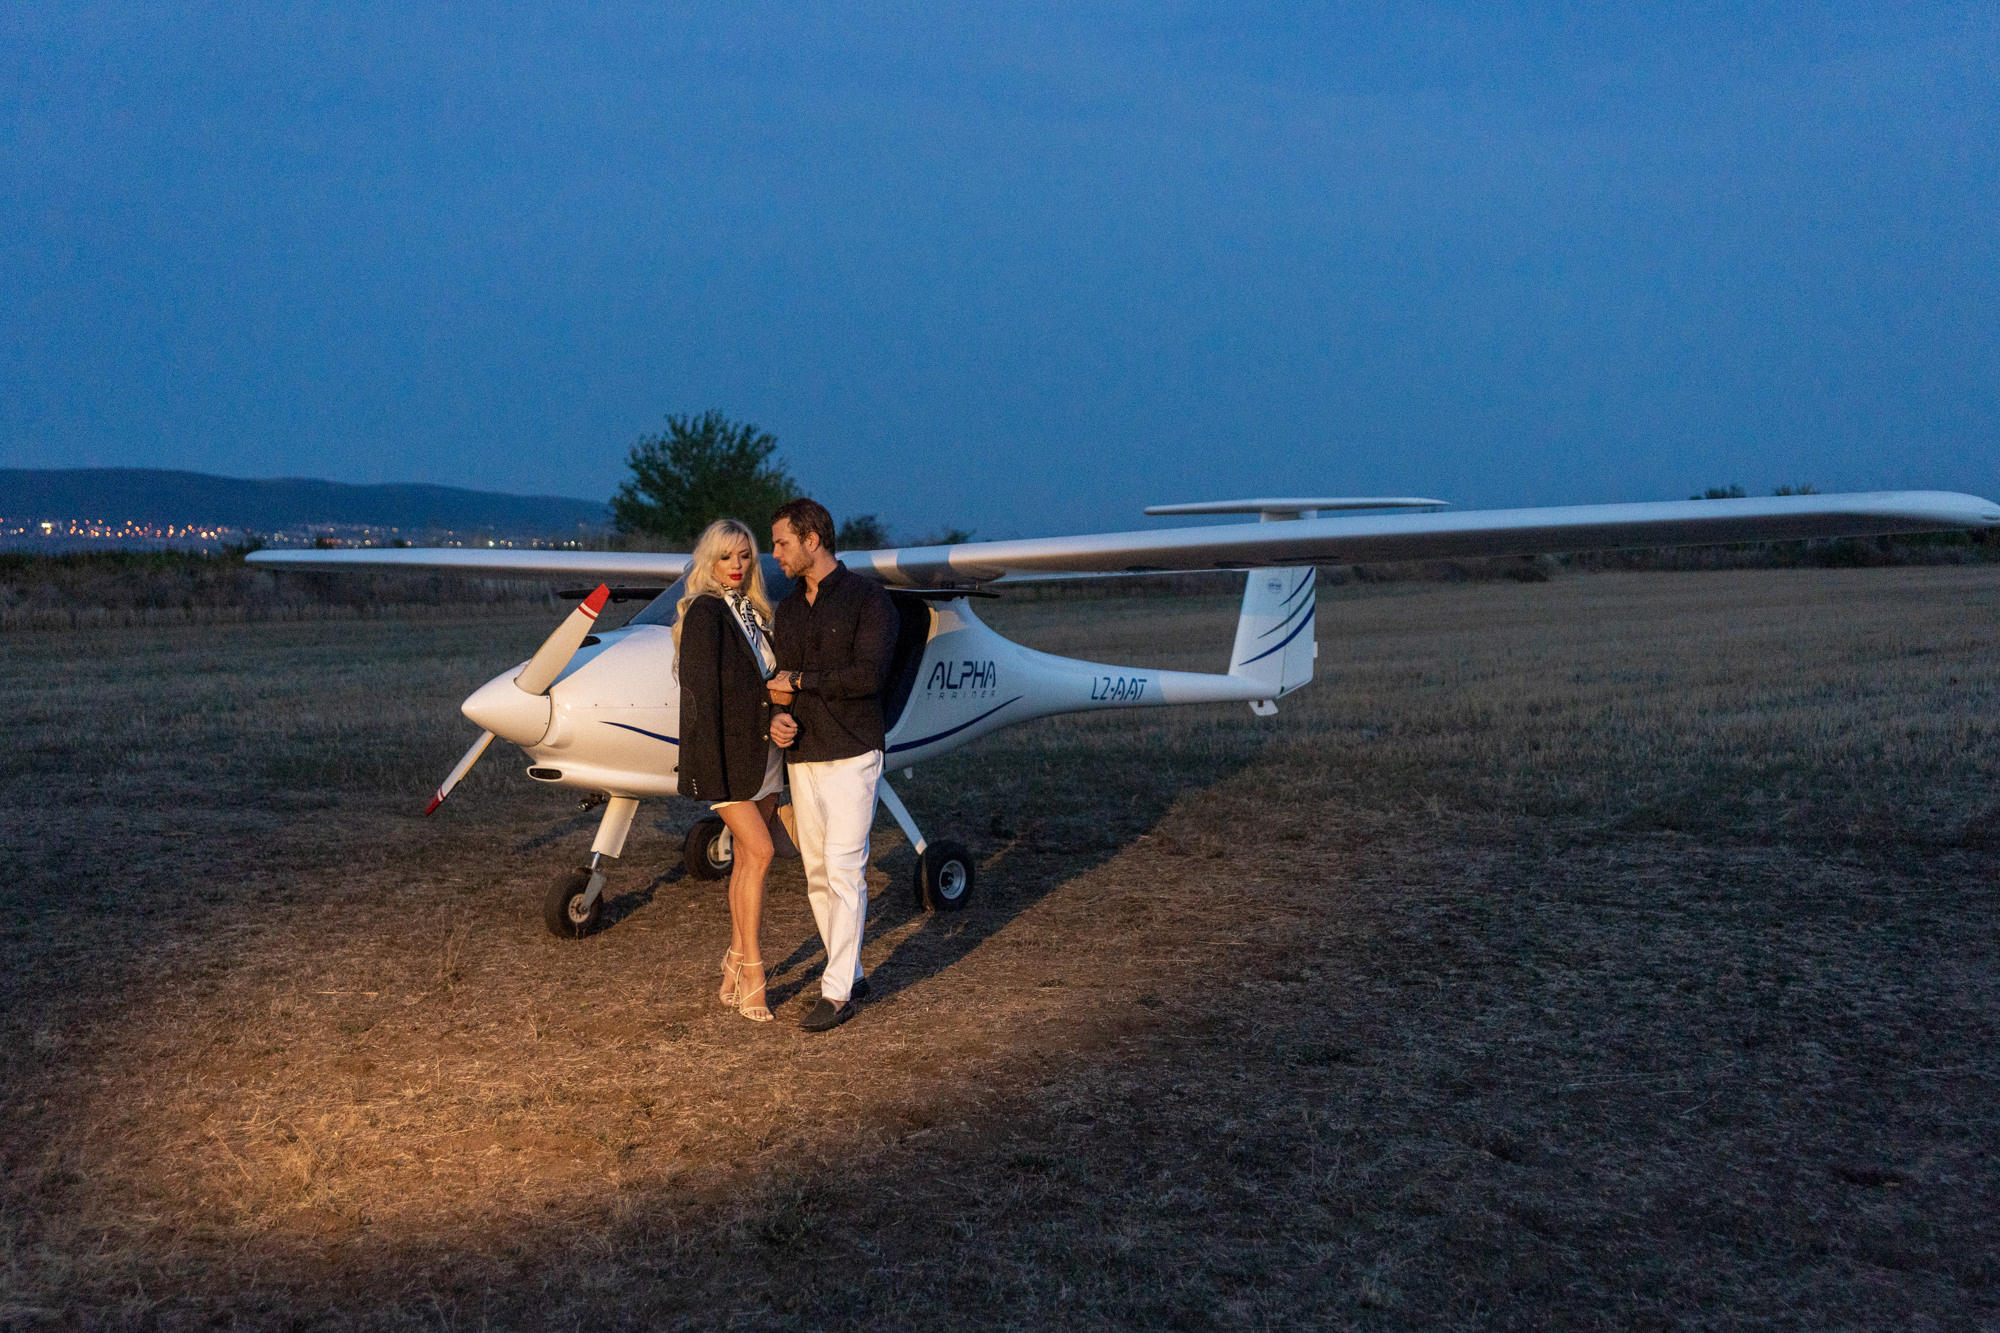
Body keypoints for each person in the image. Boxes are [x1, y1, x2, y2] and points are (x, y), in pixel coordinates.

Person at [767, 497, 897, 1033]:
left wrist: (800, 684)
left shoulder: (871, 601)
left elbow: (868, 677)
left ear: (812, 540)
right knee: (816, 873)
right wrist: (777, 717)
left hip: (853, 753)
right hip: (804, 756)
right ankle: (854, 970)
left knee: (845, 869)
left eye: (781, 543)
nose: (773, 553)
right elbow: (778, 679)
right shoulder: (790, 609)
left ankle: (837, 991)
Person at [674, 518, 786, 1023]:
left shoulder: (753, 613)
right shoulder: (706, 612)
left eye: (745, 557)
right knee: (761, 853)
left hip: (762, 755)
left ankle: (734, 962)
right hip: (725, 761)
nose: (737, 567)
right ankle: (755, 971)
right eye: (726, 558)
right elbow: (701, 701)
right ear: (709, 562)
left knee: (747, 860)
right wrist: (708, 776)